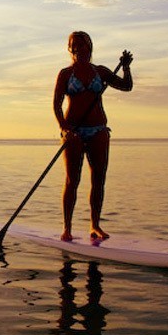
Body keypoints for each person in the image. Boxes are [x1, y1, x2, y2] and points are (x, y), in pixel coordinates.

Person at [53, 31, 133, 243]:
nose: (81, 50)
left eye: (85, 46)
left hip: (98, 130)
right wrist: (64, 128)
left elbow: (126, 87)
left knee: (99, 179)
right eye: (76, 47)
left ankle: (95, 225)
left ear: (90, 48)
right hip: (74, 133)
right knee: (73, 180)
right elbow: (56, 105)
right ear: (71, 50)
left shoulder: (101, 72)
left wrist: (125, 66)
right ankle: (67, 228)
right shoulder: (64, 74)